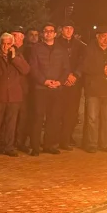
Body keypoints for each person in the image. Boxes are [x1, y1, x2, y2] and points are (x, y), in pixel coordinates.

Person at [0, 32, 30, 157]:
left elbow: (26, 70)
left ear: (12, 45)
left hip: (14, 96)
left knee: (11, 123)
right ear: (0, 44)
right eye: (3, 44)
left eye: (8, 44)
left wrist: (14, 58)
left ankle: (9, 147)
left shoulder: (18, 56)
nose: (5, 46)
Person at [28, 21, 70, 156]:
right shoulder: (35, 49)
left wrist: (59, 82)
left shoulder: (61, 49)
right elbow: (33, 68)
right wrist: (44, 81)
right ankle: (35, 147)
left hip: (56, 89)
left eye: (51, 31)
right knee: (38, 117)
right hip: (41, 88)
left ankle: (49, 145)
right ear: (42, 34)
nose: (48, 33)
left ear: (55, 34)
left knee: (54, 118)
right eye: (46, 31)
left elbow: (66, 68)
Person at [82, 26, 107, 153]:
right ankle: (92, 143)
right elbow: (85, 66)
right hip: (93, 89)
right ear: (97, 36)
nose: (106, 39)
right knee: (92, 118)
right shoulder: (89, 49)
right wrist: (102, 70)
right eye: (103, 36)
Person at [58, 20, 86, 150]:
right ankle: (57, 136)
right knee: (58, 110)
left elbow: (83, 62)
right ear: (61, 29)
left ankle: (67, 136)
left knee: (72, 112)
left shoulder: (80, 45)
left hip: (75, 82)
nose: (68, 30)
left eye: (71, 28)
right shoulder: (56, 43)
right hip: (60, 82)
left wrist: (75, 75)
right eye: (66, 28)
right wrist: (64, 77)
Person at [11, 26, 32, 153]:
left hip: (24, 88)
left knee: (23, 116)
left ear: (22, 38)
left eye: (17, 36)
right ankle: (9, 141)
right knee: (11, 117)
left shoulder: (28, 51)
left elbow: (28, 69)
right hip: (10, 89)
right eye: (12, 35)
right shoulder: (7, 49)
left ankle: (20, 141)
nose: (14, 39)